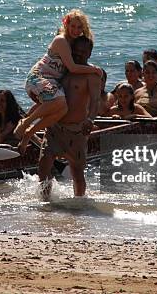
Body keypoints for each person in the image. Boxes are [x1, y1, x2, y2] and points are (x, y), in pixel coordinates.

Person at [15, 9, 102, 153]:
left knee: (63, 109)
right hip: (39, 77)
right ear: (66, 25)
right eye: (73, 26)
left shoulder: (76, 43)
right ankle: (26, 122)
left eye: (79, 27)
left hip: (53, 82)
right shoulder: (61, 40)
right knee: (59, 101)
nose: (75, 30)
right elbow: (73, 68)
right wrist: (94, 70)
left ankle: (29, 133)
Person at [38, 36, 101, 198]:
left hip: (76, 130)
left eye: (83, 52)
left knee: (77, 173)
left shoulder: (92, 74)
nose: (79, 54)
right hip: (54, 126)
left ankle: (79, 204)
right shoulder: (63, 69)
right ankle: (45, 203)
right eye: (76, 50)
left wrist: (91, 119)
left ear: (89, 53)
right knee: (43, 167)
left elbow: (95, 101)